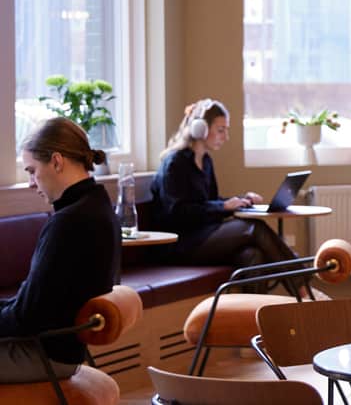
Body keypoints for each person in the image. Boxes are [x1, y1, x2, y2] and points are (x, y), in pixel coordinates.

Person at [0, 118, 120, 383]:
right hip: (65, 349)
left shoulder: (70, 221)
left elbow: (27, 318)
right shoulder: (98, 207)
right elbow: (34, 302)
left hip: (46, 354)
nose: (31, 182)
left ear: (56, 161)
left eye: (32, 171)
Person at [150, 99, 302, 294]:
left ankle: (253, 319)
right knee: (254, 228)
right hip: (179, 245)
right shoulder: (175, 164)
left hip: (203, 236)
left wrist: (240, 200)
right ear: (200, 129)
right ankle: (303, 286)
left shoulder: (205, 161)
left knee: (252, 256)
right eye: (221, 130)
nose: (226, 136)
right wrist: (223, 207)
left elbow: (208, 202)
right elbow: (178, 213)